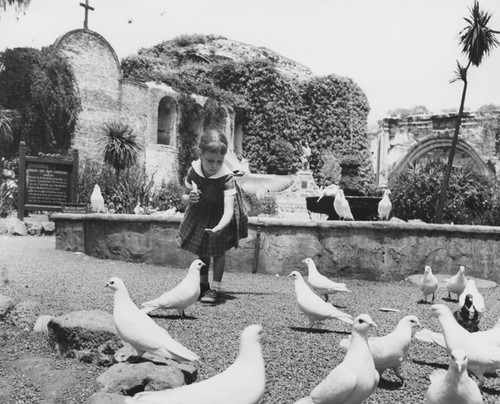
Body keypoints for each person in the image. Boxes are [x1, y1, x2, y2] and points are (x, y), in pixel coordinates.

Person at [177, 127, 248, 303]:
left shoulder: (226, 178)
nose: (214, 165)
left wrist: (219, 226)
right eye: (210, 160)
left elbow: (229, 210)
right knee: (202, 247)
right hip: (201, 208)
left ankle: (215, 288)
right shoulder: (193, 171)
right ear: (200, 154)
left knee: (217, 248)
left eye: (219, 161)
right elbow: (183, 197)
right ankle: (203, 284)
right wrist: (189, 198)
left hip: (221, 213)